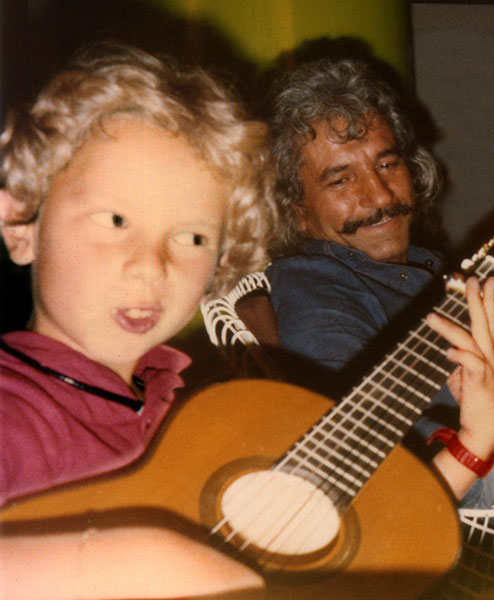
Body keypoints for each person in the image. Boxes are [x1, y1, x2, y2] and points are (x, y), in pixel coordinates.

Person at [0, 42, 278, 598]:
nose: (152, 265)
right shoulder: (13, 410)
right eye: (116, 219)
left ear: (223, 259)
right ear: (21, 222)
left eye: (192, 237)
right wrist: (140, 559)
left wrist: (465, 452)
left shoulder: (184, 413)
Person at [265, 58, 494, 509]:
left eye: (388, 163)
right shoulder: (316, 286)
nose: (381, 196)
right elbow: (362, 447)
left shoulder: (420, 269)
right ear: (295, 210)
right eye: (341, 179)